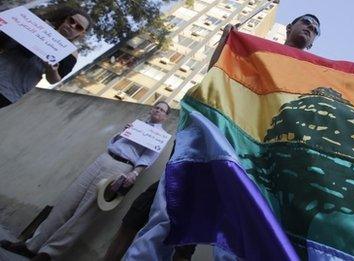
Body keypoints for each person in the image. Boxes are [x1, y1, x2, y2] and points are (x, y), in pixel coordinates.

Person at [114, 14, 321, 261]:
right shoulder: (258, 56)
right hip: (221, 138)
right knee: (167, 213)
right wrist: (226, 40)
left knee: (221, 232)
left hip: (256, 158)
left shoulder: (311, 77)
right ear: (289, 27)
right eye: (306, 21)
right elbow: (217, 75)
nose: (309, 27)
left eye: (315, 29)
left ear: (313, 43)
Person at [0, 101, 171, 261]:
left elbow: (149, 157)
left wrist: (134, 173)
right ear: (151, 109)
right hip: (104, 158)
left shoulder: (160, 136)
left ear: (165, 117)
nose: (158, 111)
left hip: (122, 168)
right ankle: (31, 246)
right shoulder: (138, 124)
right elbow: (115, 141)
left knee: (86, 211)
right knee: (66, 203)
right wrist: (124, 131)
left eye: (162, 110)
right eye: (157, 107)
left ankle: (48, 253)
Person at [0, 6, 92, 108]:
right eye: (71, 21)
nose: (72, 26)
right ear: (65, 19)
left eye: (78, 27)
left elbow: (54, 80)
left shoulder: (71, 54)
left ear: (81, 33)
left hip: (9, 91)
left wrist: (52, 70)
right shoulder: (37, 26)